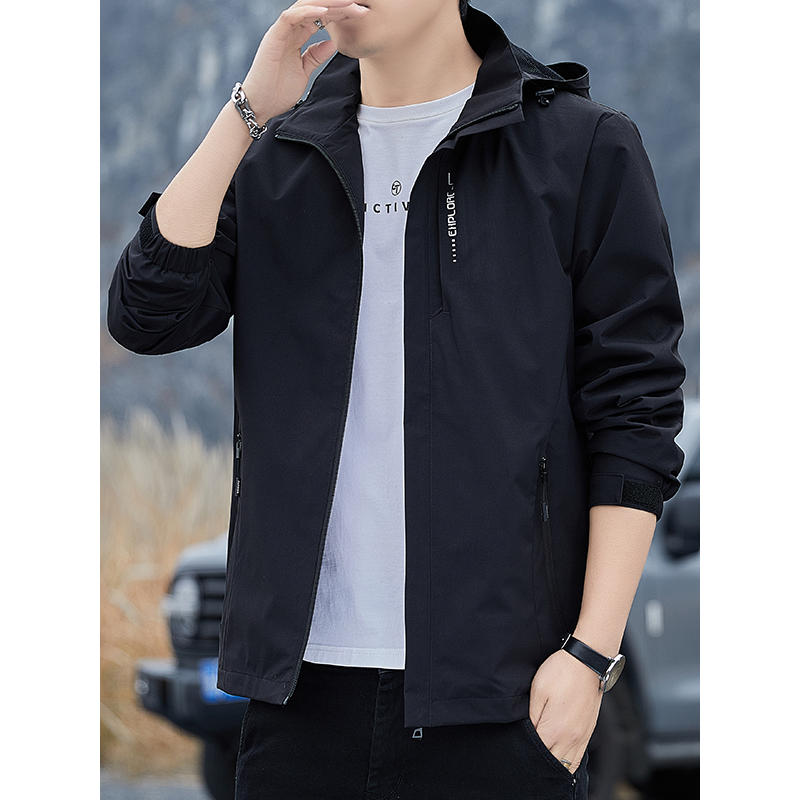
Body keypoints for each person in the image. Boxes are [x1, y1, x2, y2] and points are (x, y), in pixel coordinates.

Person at [107, 1, 686, 797]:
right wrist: (246, 113)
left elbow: (636, 414)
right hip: (299, 699)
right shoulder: (280, 155)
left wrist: (588, 656)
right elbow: (146, 315)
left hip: (503, 699)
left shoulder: (581, 149)